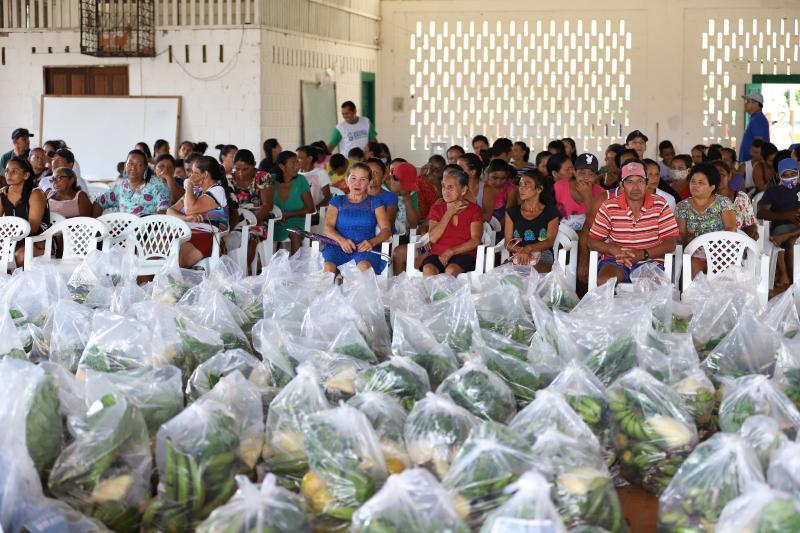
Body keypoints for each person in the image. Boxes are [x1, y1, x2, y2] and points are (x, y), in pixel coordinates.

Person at [587, 161, 679, 285]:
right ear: (622, 185)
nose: (635, 187)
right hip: (616, 261)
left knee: (650, 285)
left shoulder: (660, 204)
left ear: (646, 183)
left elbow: (671, 243)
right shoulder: (609, 206)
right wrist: (613, 250)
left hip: (650, 261)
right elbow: (592, 241)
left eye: (640, 181)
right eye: (629, 182)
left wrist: (643, 254)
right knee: (604, 281)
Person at [322, 162, 391, 274]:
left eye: (363, 179)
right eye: (353, 178)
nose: (357, 183)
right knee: (328, 268)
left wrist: (372, 242)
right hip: (338, 247)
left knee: (363, 267)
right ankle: (330, 292)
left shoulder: (376, 202)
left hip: (365, 248)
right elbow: (327, 228)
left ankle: (362, 292)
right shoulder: (337, 201)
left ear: (369, 182)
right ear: (346, 180)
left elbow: (386, 230)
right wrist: (342, 241)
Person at [674, 163, 737, 279]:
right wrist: (685, 239)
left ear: (712, 187)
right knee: (693, 266)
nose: (695, 185)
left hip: (721, 251)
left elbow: (731, 228)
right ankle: (688, 296)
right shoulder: (682, 206)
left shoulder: (723, 203)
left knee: (724, 277)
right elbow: (681, 233)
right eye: (693, 181)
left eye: (700, 183)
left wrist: (715, 250)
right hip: (695, 252)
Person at [167, 156, 230, 267]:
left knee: (176, 260)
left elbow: (190, 209)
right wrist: (186, 218)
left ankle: (175, 283)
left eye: (194, 172)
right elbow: (170, 211)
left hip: (206, 236)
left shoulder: (217, 190)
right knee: (150, 250)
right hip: (185, 233)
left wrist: (188, 186)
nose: (190, 176)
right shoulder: (196, 191)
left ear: (205, 174)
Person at [421, 168, 484, 277]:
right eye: (443, 187)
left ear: (463, 190)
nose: (445, 191)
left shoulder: (474, 210)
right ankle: (432, 294)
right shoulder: (437, 208)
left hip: (464, 254)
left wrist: (451, 251)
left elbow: (475, 240)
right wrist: (449, 213)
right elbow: (433, 238)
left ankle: (446, 294)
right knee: (428, 269)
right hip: (438, 254)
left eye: (450, 187)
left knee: (451, 270)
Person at [504, 170, 560, 272]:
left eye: (526, 185)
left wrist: (528, 248)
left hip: (543, 254)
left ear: (539, 189)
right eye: (520, 184)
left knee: (533, 273)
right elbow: (508, 243)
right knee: (506, 275)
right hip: (518, 253)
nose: (521, 188)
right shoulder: (512, 212)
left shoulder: (551, 213)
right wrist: (521, 251)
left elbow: (549, 241)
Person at [757, 158, 800, 286]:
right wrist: (785, 215)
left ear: (798, 172)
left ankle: (788, 278)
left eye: (792, 173)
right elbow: (761, 213)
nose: (790, 178)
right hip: (782, 226)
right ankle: (791, 279)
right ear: (779, 175)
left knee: (790, 240)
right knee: (791, 243)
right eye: (785, 175)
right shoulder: (773, 191)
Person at [0, 156, 49, 266]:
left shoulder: (36, 193)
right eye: (7, 171)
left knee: (20, 257)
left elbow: (33, 227)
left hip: (37, 239)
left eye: (14, 171)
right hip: (12, 238)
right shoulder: (3, 194)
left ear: (26, 175)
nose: (9, 174)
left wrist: (6, 232)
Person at [94, 150, 171, 216]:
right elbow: (99, 203)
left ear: (145, 168)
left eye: (139, 164)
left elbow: (163, 211)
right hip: (123, 229)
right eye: (130, 163)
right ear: (125, 166)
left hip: (148, 230)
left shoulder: (158, 185)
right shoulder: (120, 186)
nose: (133, 167)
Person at [271, 151, 314, 254]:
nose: (298, 166)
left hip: (297, 220)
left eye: (297, 162)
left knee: (295, 233)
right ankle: (267, 266)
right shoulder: (270, 180)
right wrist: (276, 216)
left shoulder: (301, 180)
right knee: (260, 234)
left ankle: (296, 267)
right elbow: (264, 204)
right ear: (282, 166)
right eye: (293, 163)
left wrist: (287, 214)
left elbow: (310, 208)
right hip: (275, 222)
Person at [554, 153, 604, 229]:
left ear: (596, 176)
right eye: (582, 173)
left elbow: (599, 224)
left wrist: (587, 196)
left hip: (587, 237)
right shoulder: (559, 187)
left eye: (591, 174)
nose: (586, 178)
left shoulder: (602, 193)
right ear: (574, 172)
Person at [714, 160, 757, 240]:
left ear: (729, 176)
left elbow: (749, 224)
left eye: (721, 174)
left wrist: (751, 232)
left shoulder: (741, 197)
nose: (718, 178)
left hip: (738, 244)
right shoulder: (705, 199)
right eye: (713, 174)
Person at [457, 152, 493, 221]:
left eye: (460, 169)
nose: (456, 171)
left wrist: (464, 215)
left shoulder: (486, 189)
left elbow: (488, 217)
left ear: (473, 172)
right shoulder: (456, 187)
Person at [366, 158, 399, 232]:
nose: (372, 176)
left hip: (384, 238)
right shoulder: (358, 195)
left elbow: (389, 223)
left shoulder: (391, 197)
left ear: (383, 176)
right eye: (369, 172)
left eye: (376, 173)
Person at [297, 145, 332, 212]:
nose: (296, 161)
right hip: (300, 212)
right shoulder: (297, 174)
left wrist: (314, 209)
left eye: (299, 158)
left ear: (309, 159)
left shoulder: (320, 173)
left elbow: (328, 198)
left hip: (316, 213)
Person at [740, 92, 770, 162]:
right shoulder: (755, 118)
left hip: (752, 163)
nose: (745, 104)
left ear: (756, 103)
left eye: (748, 101)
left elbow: (759, 143)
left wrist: (754, 164)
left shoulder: (758, 119)